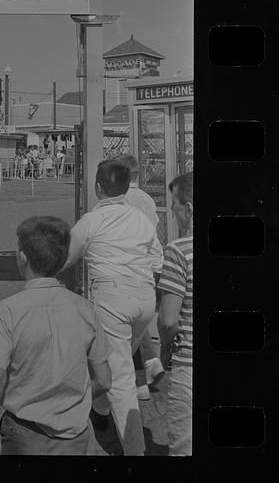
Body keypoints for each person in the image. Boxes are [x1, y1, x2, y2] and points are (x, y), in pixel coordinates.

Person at [0, 217, 111, 455]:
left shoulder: (6, 312)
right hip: (75, 433)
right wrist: (70, 398)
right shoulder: (85, 309)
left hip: (26, 433)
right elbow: (104, 380)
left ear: (23, 257)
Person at [62, 159, 162, 456]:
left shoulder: (92, 220)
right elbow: (157, 261)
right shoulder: (140, 219)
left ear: (97, 187)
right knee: (113, 359)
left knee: (119, 377)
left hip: (111, 298)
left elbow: (65, 258)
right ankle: (101, 409)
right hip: (144, 298)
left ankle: (135, 451)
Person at [114, 154, 166, 400]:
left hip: (126, 267)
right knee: (137, 321)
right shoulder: (145, 198)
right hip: (148, 266)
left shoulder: (119, 200)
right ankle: (152, 361)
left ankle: (138, 381)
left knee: (124, 326)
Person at [158, 172, 193, 456]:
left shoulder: (178, 250)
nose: (173, 212)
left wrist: (165, 349)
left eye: (176, 206)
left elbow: (168, 319)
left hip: (189, 365)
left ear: (189, 208)